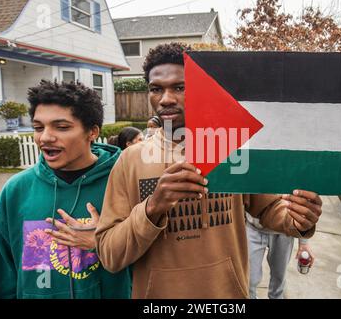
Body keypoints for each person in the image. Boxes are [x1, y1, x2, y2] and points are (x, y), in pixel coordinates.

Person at [95, 43, 323, 299]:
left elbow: (269, 209)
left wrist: (298, 219)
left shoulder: (231, 149)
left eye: (180, 87)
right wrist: (153, 208)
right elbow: (110, 255)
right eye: (156, 89)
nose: (166, 99)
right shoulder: (130, 160)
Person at [0, 80, 131, 299]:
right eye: (38, 127)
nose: (45, 137)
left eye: (61, 127)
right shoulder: (15, 190)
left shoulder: (124, 183)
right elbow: (1, 274)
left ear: (92, 132)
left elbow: (150, 264)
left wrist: (105, 242)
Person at [246, 212, 315, 299]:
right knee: (248, 279)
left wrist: (303, 242)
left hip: (284, 231)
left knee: (279, 279)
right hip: (254, 226)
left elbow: (306, 202)